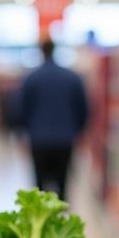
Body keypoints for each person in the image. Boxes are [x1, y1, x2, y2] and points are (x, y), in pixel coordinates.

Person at [19, 37, 89, 203]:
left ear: (41, 51)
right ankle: (61, 222)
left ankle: (41, 223)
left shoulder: (31, 78)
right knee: (63, 182)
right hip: (65, 139)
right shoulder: (72, 78)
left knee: (40, 187)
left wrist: (23, 133)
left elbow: (22, 109)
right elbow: (83, 108)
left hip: (38, 139)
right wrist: (79, 131)